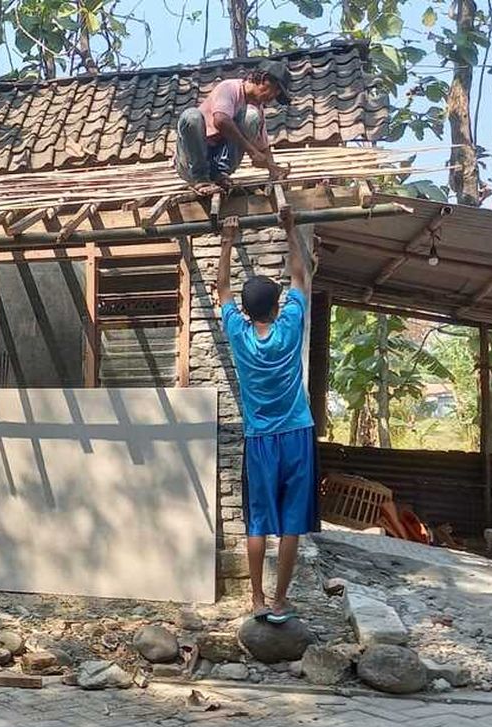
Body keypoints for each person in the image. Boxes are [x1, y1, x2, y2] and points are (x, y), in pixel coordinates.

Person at [215, 210, 316, 624]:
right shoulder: (291, 325)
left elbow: (220, 286)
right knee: (291, 523)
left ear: (248, 309)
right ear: (277, 306)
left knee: (257, 522)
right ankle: (279, 601)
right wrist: (291, 230)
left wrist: (227, 239)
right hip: (297, 433)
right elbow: (301, 277)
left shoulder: (239, 335)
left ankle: (256, 601)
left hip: (260, 440)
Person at [176, 60, 292, 196]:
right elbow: (221, 120)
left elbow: (263, 147)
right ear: (263, 79)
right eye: (275, 90)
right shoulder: (229, 88)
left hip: (216, 164)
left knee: (251, 116)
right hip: (192, 162)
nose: (273, 98)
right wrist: (252, 151)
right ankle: (201, 179)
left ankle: (220, 174)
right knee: (191, 116)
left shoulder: (257, 109)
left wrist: (273, 170)